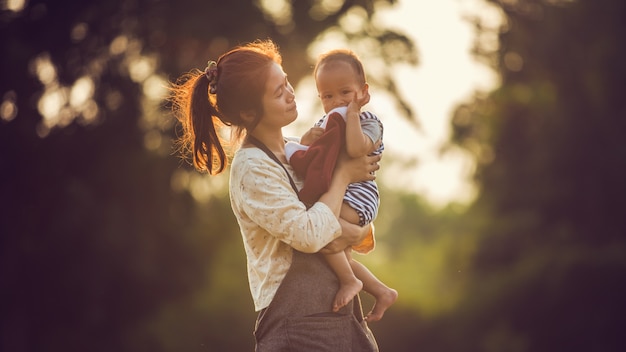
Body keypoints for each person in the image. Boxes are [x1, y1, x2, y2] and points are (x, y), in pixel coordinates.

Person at [169, 39, 381, 351]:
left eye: (287, 83)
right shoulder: (253, 169)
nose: (291, 94)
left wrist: (357, 229)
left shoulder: (302, 149)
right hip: (298, 329)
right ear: (248, 111)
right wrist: (344, 175)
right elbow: (310, 235)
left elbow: (352, 230)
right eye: (278, 92)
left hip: (342, 318)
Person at [284, 49, 397, 322]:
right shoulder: (325, 122)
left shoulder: (370, 122)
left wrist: (354, 114)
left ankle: (350, 282)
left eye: (345, 93)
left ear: (363, 91)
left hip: (358, 194)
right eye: (327, 96)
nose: (337, 102)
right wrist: (307, 138)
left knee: (324, 234)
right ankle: (381, 291)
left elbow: (357, 150)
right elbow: (314, 158)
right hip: (338, 193)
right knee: (336, 250)